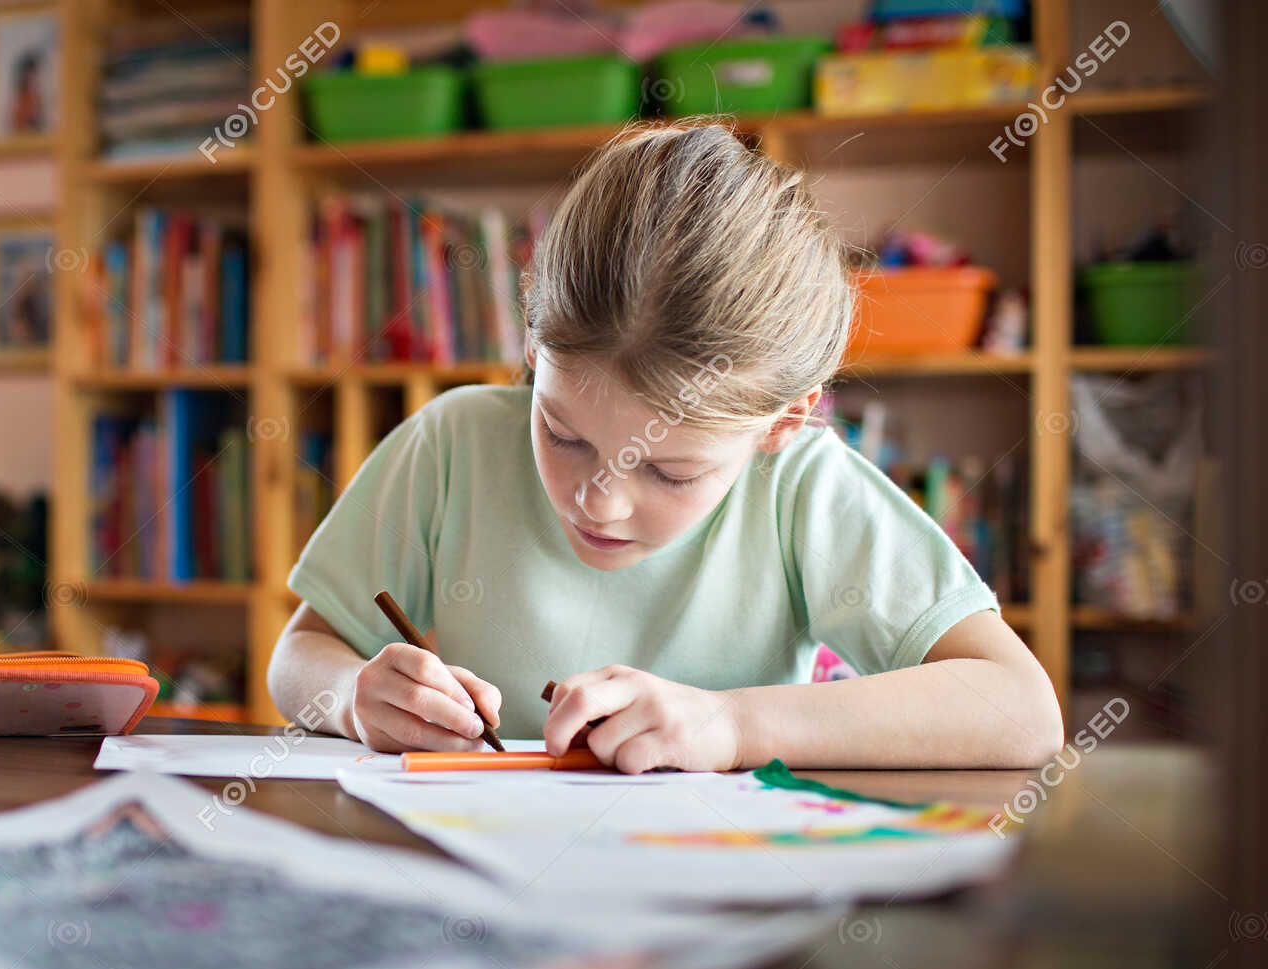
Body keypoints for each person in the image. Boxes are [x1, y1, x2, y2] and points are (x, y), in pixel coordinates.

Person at [267, 121, 1063, 772]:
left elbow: (1021, 711)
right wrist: (349, 697)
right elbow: (301, 652)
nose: (598, 501)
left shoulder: (802, 485)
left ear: (784, 422)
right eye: (563, 434)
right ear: (535, 351)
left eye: (669, 469)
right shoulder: (451, 443)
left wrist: (735, 725)